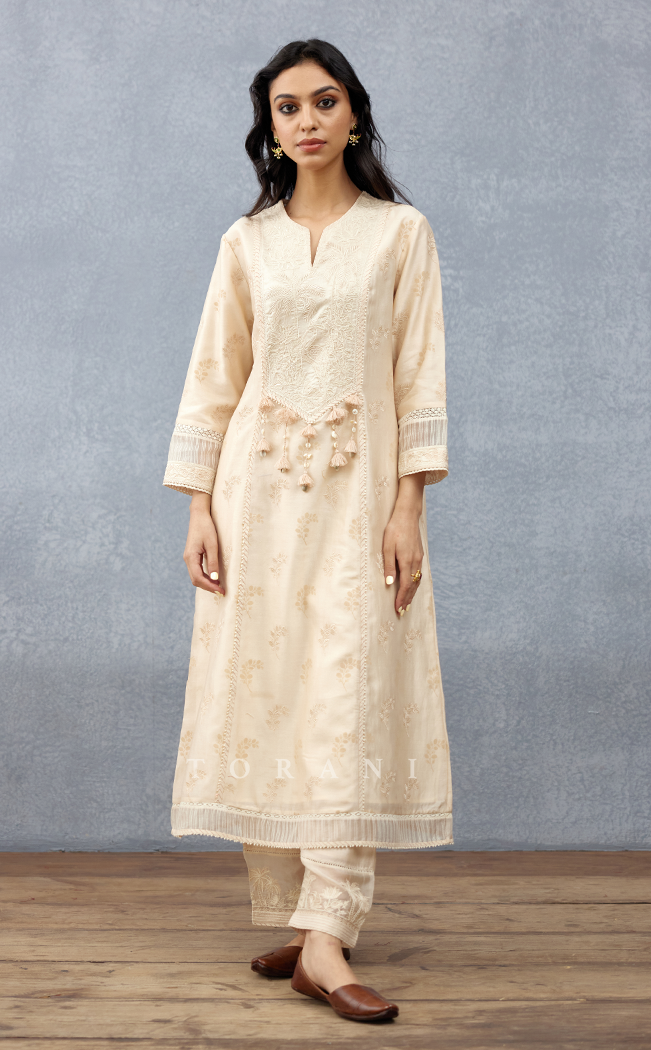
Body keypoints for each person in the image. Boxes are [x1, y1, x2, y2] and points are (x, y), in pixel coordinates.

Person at [163, 38, 452, 1024]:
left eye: (325, 102)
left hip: (361, 499)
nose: (308, 120)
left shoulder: (401, 234)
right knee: (273, 685)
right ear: (272, 131)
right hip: (255, 496)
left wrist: (410, 505)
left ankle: (327, 935)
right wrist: (199, 505)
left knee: (348, 690)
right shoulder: (247, 244)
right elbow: (215, 375)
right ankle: (308, 918)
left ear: (354, 115)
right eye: (287, 108)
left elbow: (419, 370)